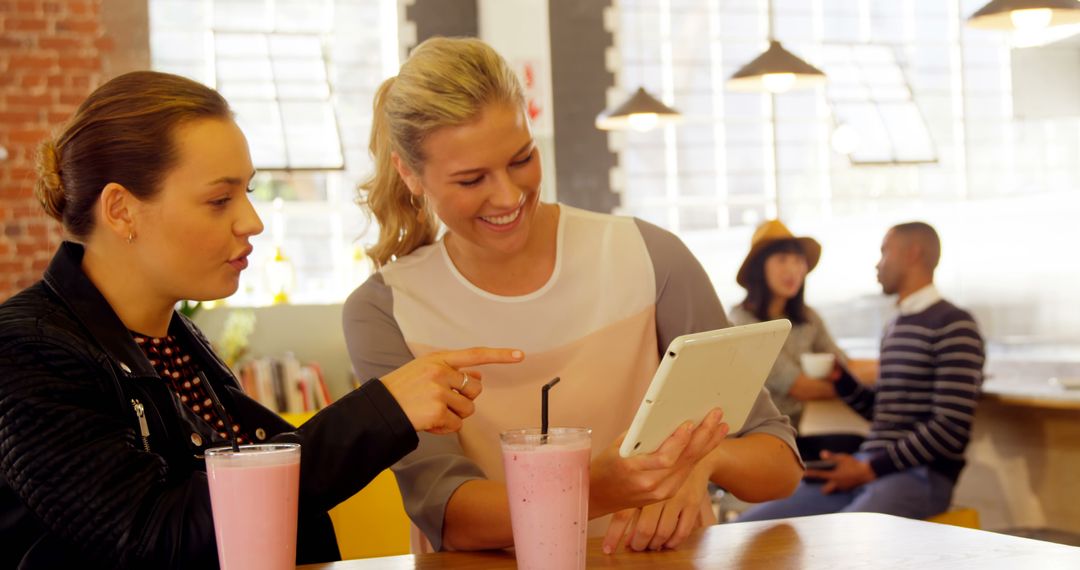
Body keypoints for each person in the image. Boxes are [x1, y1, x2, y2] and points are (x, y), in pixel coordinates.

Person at [0, 71, 525, 569]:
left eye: (247, 193)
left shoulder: (174, 347)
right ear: (120, 210)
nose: (252, 222)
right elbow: (155, 536)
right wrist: (382, 411)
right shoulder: (28, 349)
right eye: (218, 200)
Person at [342, 36, 802, 555]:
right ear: (410, 173)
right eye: (472, 180)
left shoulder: (651, 259)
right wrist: (601, 486)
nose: (509, 196)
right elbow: (448, 515)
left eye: (522, 159)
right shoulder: (385, 310)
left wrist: (702, 458)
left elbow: (778, 463)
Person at [737, 221, 985, 521]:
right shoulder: (896, 326)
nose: (878, 264)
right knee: (750, 527)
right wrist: (844, 383)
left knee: (845, 542)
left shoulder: (955, 324)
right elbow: (885, 414)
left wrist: (869, 468)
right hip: (871, 464)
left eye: (884, 252)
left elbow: (949, 428)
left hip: (918, 474)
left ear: (913, 255)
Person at [729, 219, 843, 430]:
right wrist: (857, 389)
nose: (793, 269)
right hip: (764, 436)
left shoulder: (806, 317)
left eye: (799, 260)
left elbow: (841, 361)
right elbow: (800, 387)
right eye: (782, 259)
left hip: (802, 427)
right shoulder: (743, 324)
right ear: (759, 269)